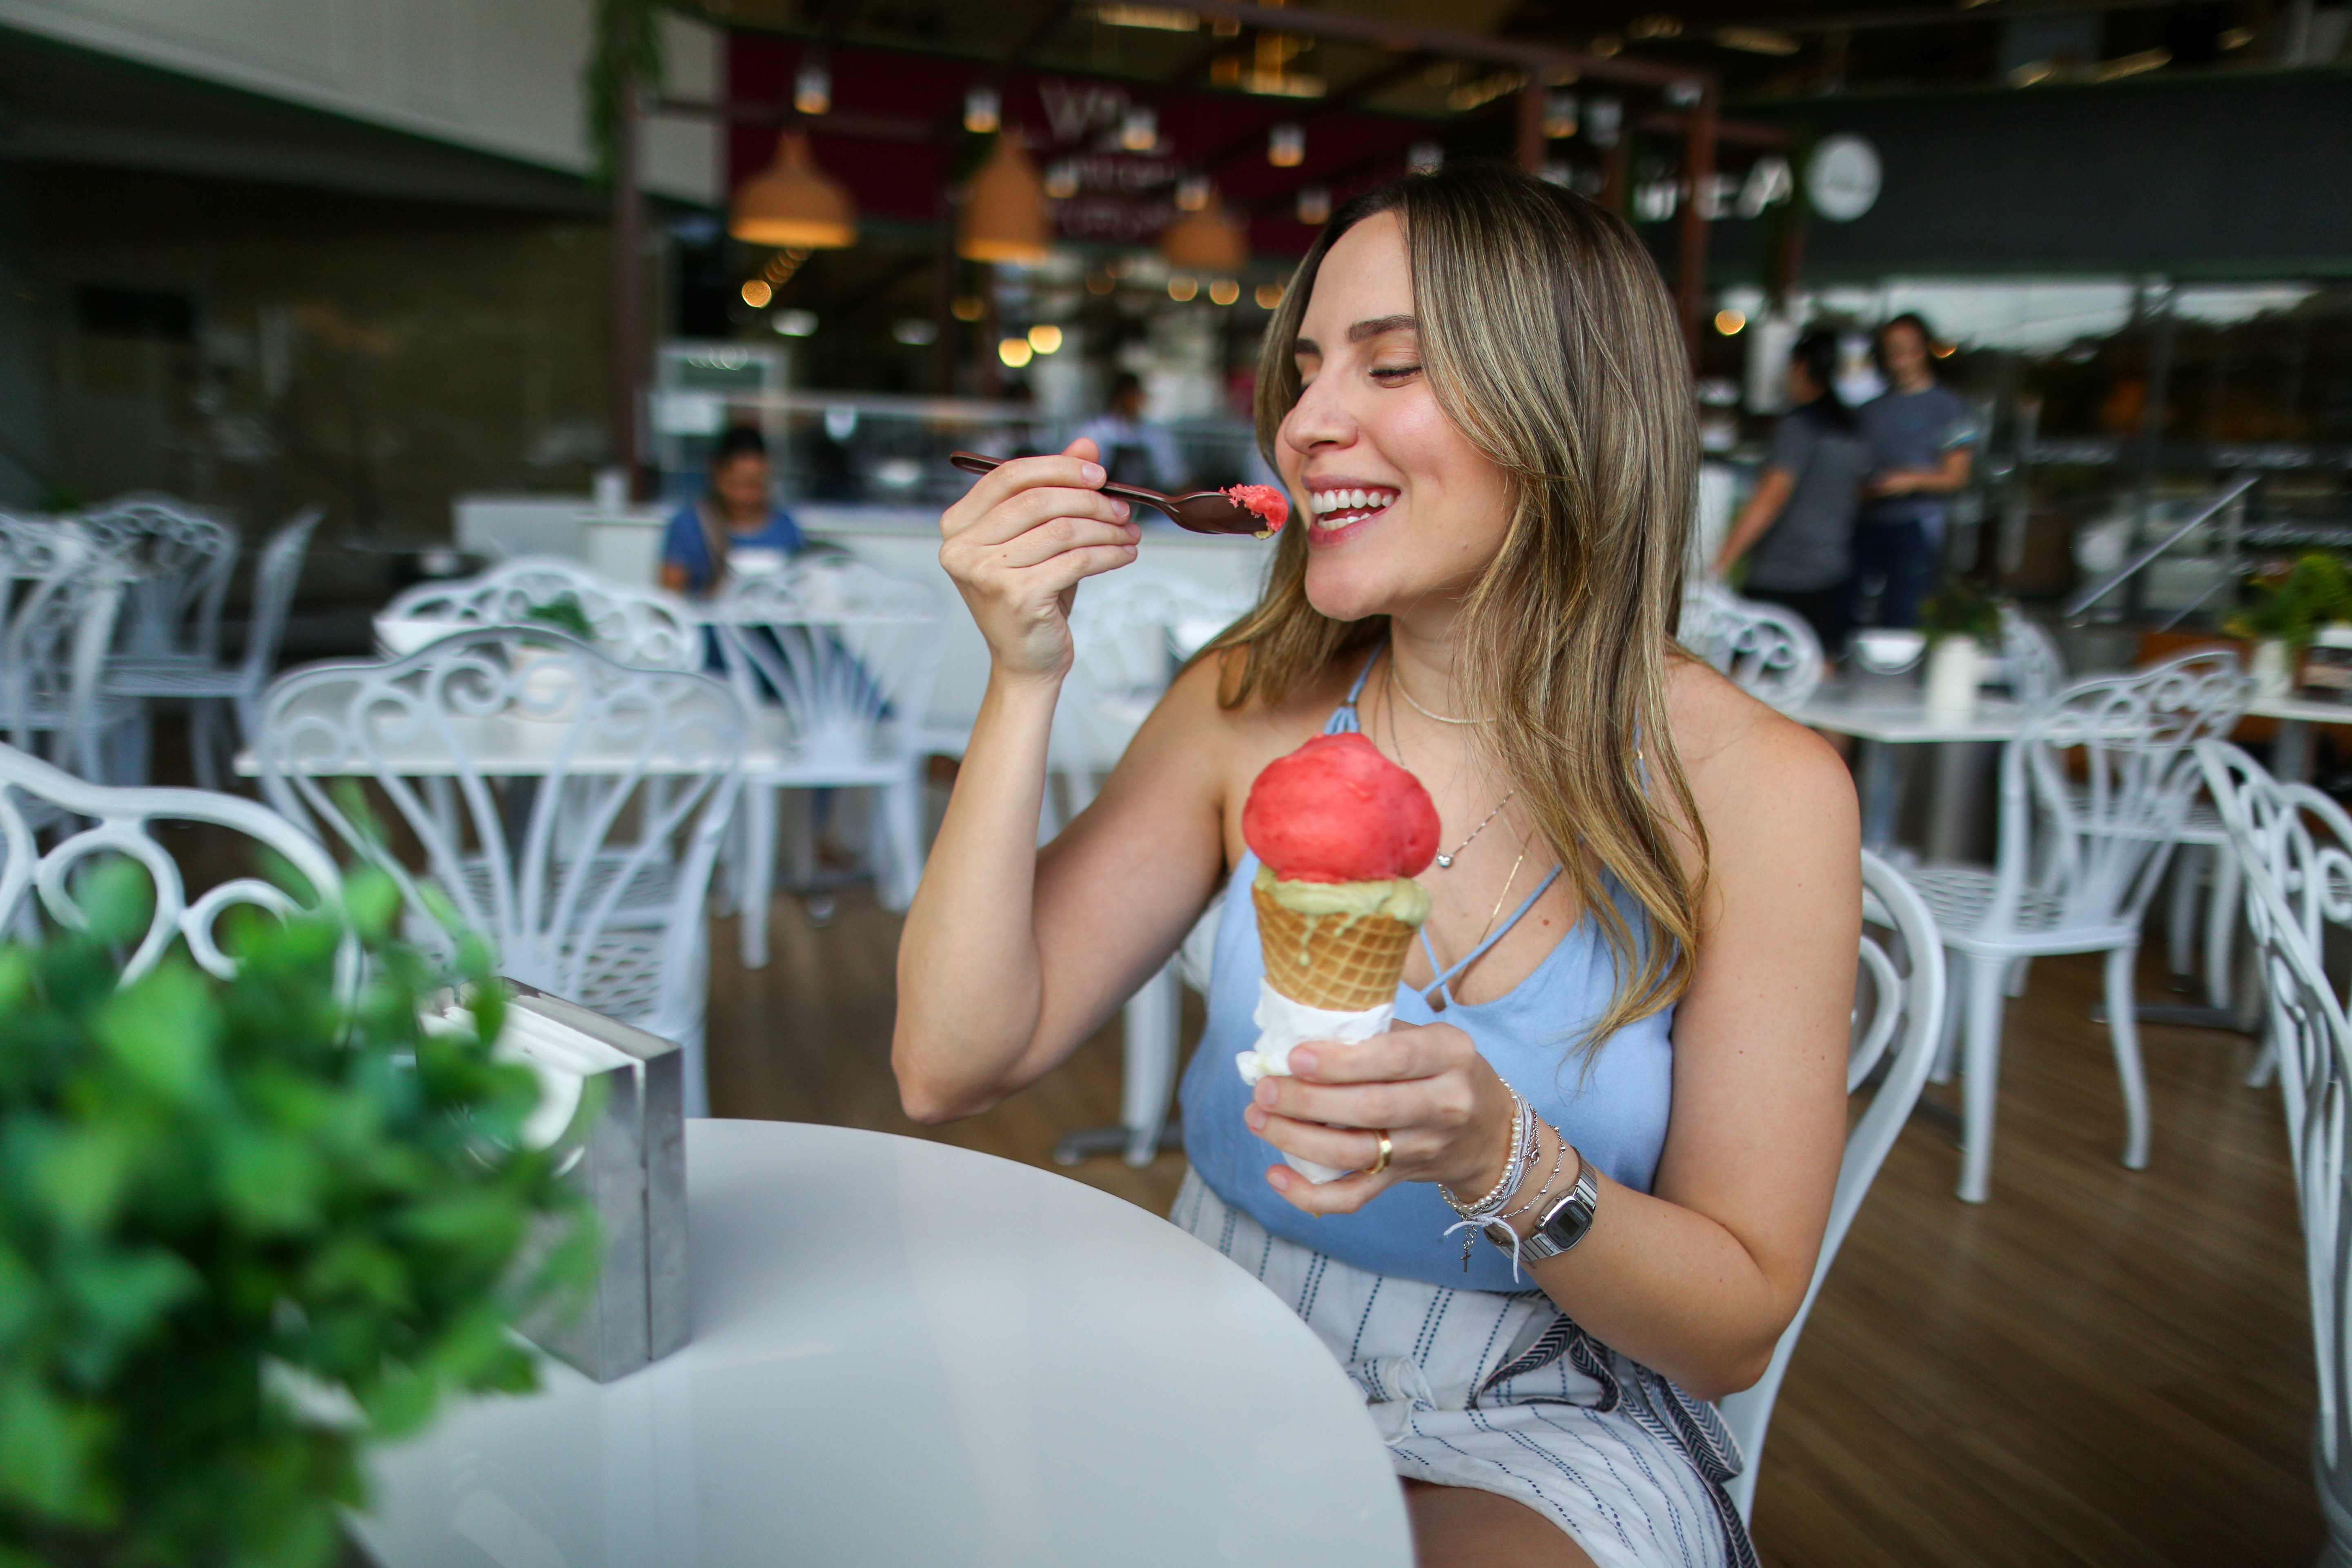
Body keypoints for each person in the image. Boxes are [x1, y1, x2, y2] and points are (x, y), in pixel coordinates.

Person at [898, 164, 1857, 1568]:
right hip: (1213, 1337)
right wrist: (1024, 676)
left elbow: (1730, 1330)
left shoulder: (1761, 790)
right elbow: (949, 1062)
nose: (1304, 426)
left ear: (1567, 411)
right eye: (1301, 373)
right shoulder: (1248, 703)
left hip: (1542, 1407)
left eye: (1389, 365)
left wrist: (1503, 1157)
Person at [1711, 329, 1873, 656]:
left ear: (1799, 367)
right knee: (1818, 673)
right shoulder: (1852, 430)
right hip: (1834, 570)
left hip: (1782, 574)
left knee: (1757, 676)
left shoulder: (1798, 427)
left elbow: (1770, 498)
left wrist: (1722, 562)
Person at [1849, 313, 1974, 630]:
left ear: (1925, 351)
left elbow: (1958, 476)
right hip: (1865, 521)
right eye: (1893, 350)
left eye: (1909, 349)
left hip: (1916, 525)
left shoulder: (1950, 407)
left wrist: (1912, 480)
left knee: (1904, 613)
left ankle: (1899, 679)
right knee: (1851, 612)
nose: (1901, 359)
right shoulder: (1870, 410)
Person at [660, 425, 806, 598]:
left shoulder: (786, 527)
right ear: (717, 476)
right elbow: (669, 599)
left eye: (756, 486)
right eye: (737, 484)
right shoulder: (688, 526)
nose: (746, 497)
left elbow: (801, 592)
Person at [1071, 371, 1186, 493]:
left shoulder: (1153, 434)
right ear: (1117, 397)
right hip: (1104, 498)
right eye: (1128, 395)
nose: (1133, 400)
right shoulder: (1096, 431)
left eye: (1135, 395)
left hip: (1147, 504)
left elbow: (1173, 477)